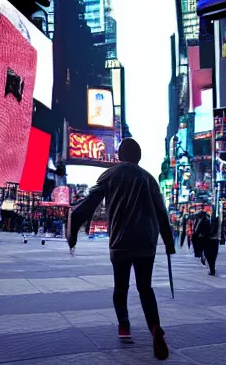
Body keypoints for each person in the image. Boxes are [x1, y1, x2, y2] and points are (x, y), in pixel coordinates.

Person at [68, 138, 174, 361]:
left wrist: (75, 222)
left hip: (121, 241)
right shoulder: (149, 178)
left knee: (121, 287)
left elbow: (90, 203)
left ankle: (124, 326)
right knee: (145, 288)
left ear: (119, 156)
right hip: (147, 242)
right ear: (139, 157)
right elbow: (162, 213)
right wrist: (169, 243)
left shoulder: (110, 174)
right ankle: (155, 328)